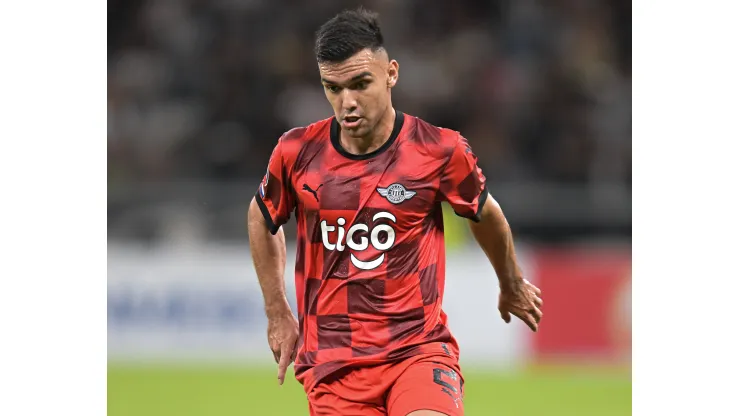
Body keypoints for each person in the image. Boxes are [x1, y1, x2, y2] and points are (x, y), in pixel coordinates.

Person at [247, 7, 543, 416]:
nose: (347, 102)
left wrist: (510, 283)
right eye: (332, 88)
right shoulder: (296, 152)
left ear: (391, 74)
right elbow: (262, 217)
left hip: (417, 351)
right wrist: (277, 310)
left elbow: (485, 213)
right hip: (335, 366)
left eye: (360, 83)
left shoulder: (439, 150)